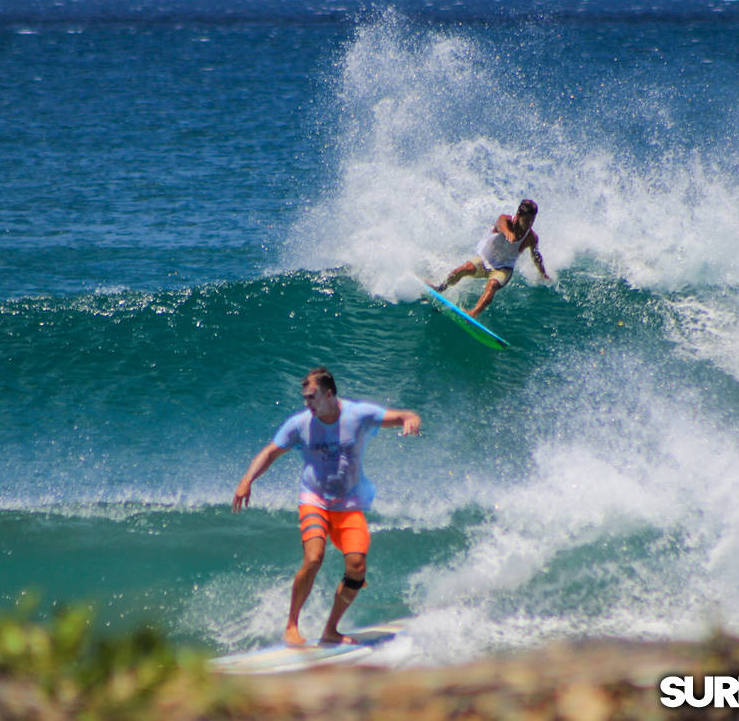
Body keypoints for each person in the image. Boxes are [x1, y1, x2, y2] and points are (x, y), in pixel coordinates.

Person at [233, 367, 421, 645]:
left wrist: (411, 419)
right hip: (314, 500)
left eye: (312, 398)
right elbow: (271, 451)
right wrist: (247, 479)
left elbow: (402, 415)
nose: (307, 404)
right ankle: (291, 627)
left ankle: (331, 630)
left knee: (357, 567)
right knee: (313, 558)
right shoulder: (300, 424)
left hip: (348, 505)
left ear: (330, 394)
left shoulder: (358, 415)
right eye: (305, 398)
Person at [433, 198, 550, 317]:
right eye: (527, 220)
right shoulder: (505, 220)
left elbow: (536, 255)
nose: (529, 224)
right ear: (518, 215)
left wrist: (543, 273)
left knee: (492, 285)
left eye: (532, 221)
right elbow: (500, 224)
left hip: (503, 268)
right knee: (463, 269)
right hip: (485, 260)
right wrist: (507, 232)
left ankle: (472, 313)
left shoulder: (531, 237)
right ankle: (440, 288)